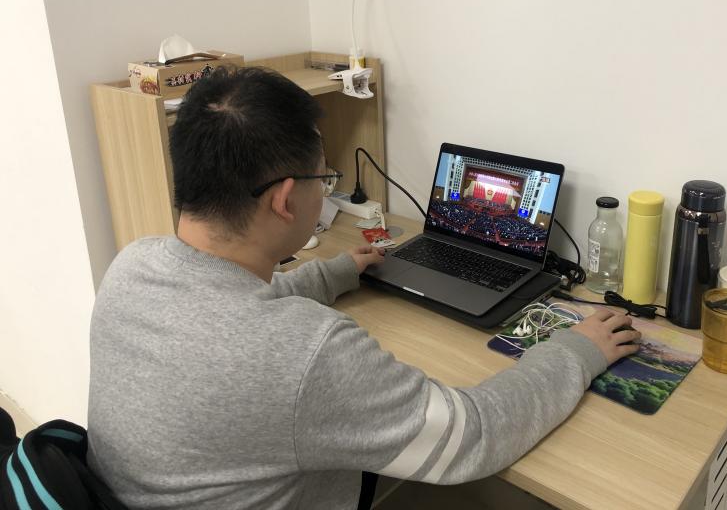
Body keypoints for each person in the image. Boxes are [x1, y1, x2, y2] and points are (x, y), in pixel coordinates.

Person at [87, 66, 640, 510]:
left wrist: (332, 272)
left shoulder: (132, 267)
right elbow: (473, 435)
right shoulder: (306, 354)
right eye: (323, 178)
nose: (325, 190)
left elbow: (230, 313)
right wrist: (576, 350)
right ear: (285, 200)